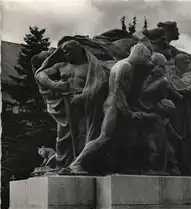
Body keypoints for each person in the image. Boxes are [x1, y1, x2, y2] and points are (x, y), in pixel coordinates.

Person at [61, 39, 155, 174]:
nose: (147, 60)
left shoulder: (122, 64)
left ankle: (119, 166)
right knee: (104, 137)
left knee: (116, 139)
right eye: (146, 57)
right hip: (113, 106)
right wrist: (128, 112)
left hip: (114, 105)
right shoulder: (125, 66)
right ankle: (77, 163)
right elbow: (118, 93)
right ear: (139, 52)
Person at [34, 41, 109, 169]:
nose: (66, 54)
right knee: (62, 138)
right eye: (64, 52)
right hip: (67, 105)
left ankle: (81, 164)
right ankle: (61, 163)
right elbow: (40, 74)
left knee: (84, 134)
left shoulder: (91, 66)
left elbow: (101, 82)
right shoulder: (62, 66)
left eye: (69, 51)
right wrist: (54, 84)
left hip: (86, 105)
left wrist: (84, 96)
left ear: (78, 50)